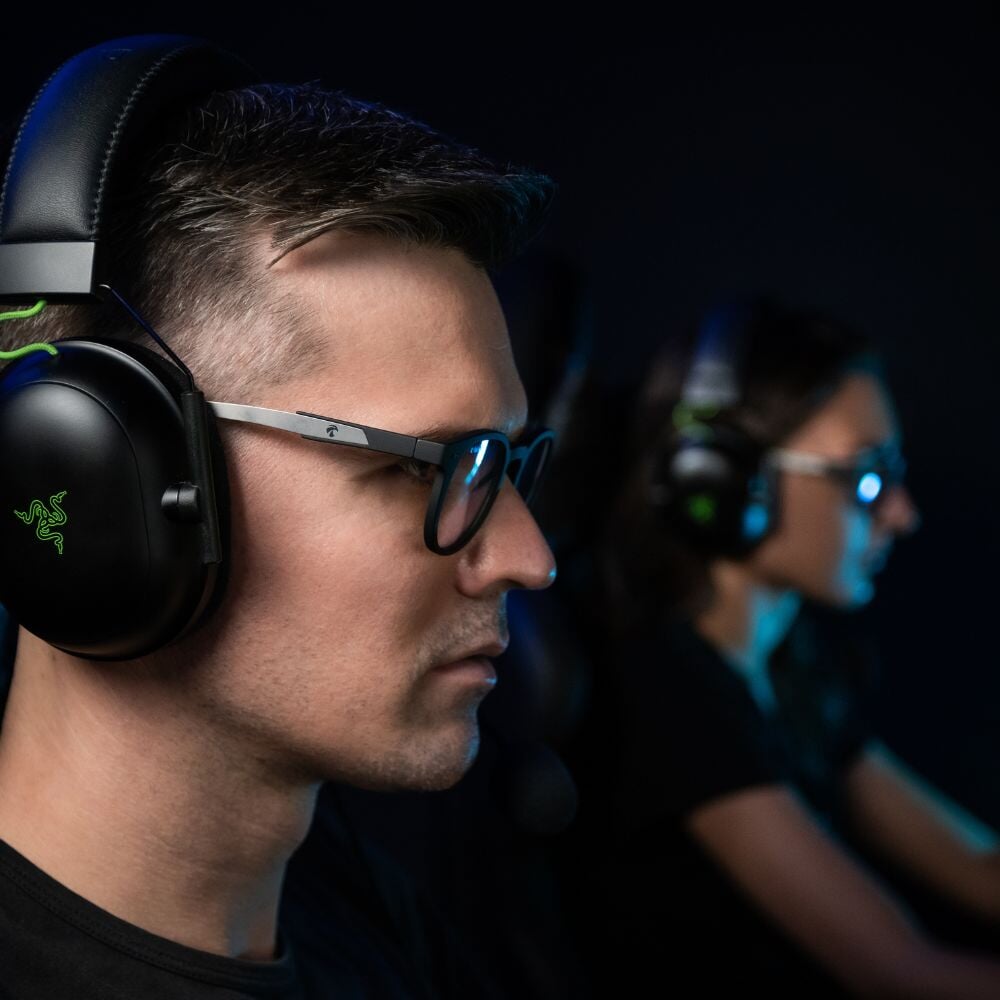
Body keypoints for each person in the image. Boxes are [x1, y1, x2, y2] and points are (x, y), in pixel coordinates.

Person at [0, 36, 556, 997]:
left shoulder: (365, 907)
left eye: (501, 463)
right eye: (417, 467)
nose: (528, 557)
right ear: (105, 480)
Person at [599, 301, 1000, 998]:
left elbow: (978, 868)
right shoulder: (674, 700)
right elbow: (902, 973)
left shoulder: (791, 666)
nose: (903, 514)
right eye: (867, 478)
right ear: (720, 477)